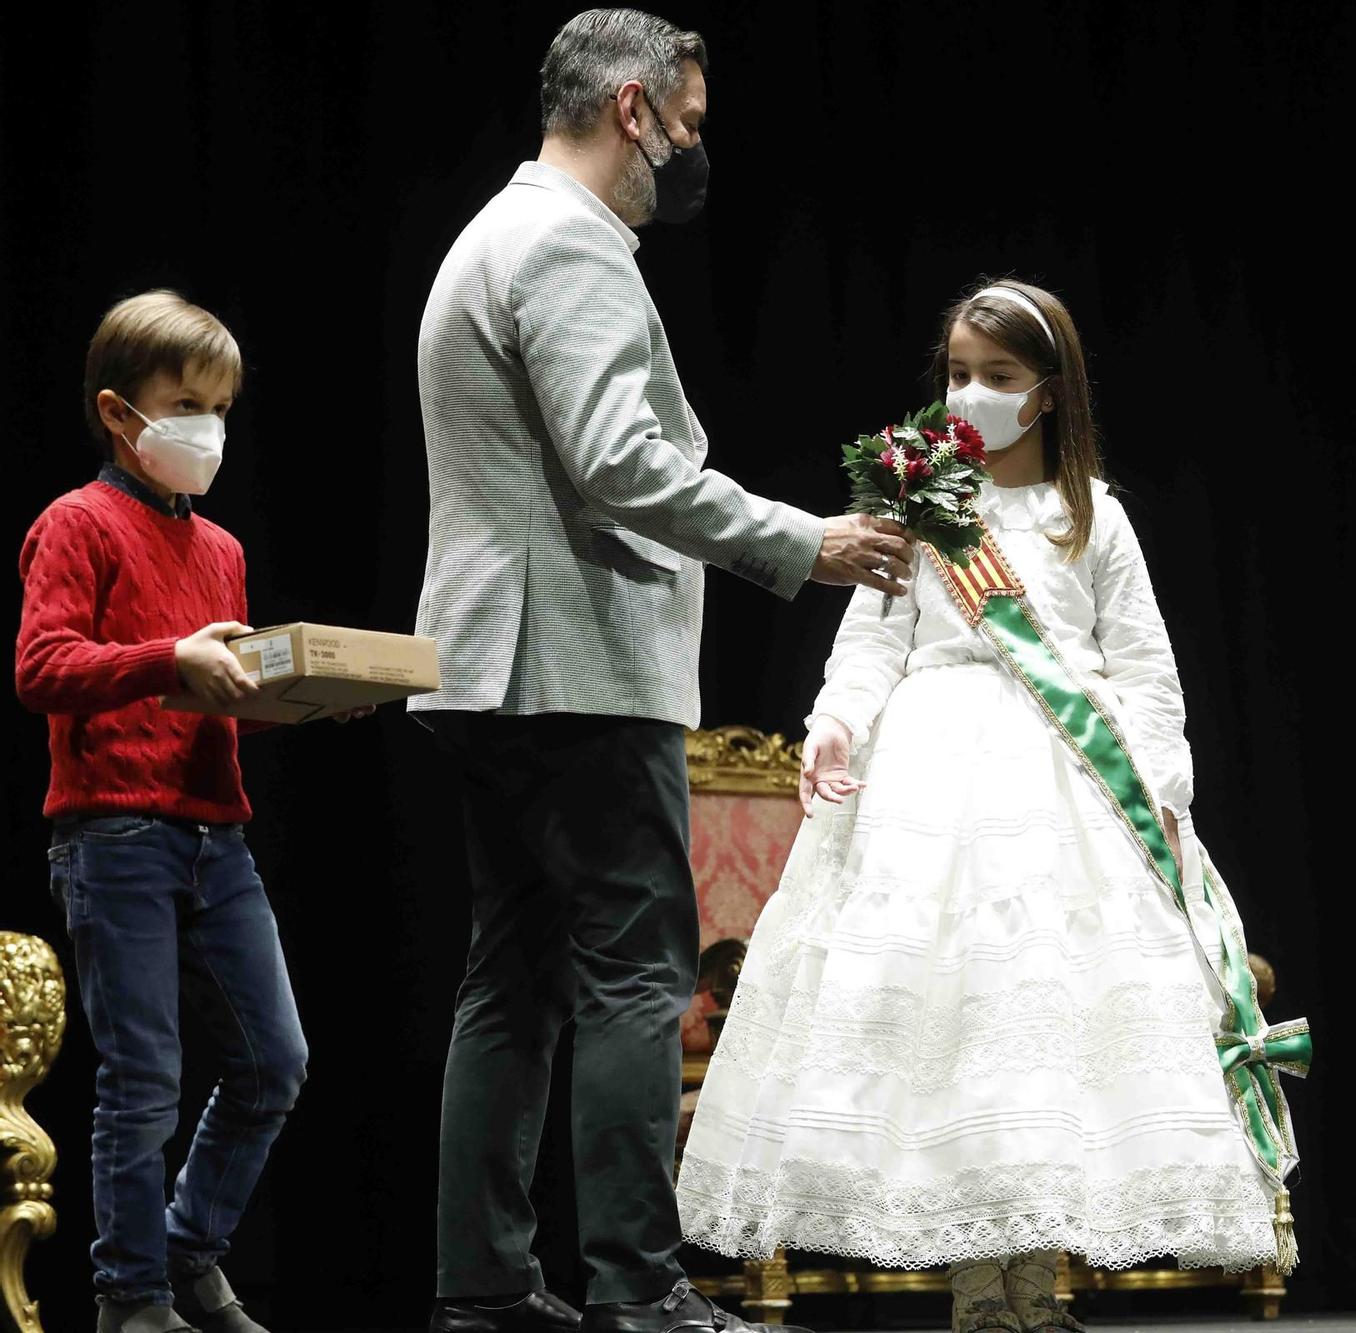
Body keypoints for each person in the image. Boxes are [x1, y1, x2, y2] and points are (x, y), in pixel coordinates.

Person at [410, 10, 909, 1333]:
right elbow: (620, 464)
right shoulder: (571, 244)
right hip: (569, 665)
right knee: (635, 968)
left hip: (491, 667)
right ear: (631, 108)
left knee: (509, 973)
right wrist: (807, 544)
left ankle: (486, 1280)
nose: (691, 149)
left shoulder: (491, 232)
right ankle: (636, 1285)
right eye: (685, 123)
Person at [676, 281, 1295, 1333]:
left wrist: (1160, 793)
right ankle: (975, 1294)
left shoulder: (1090, 519)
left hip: (1064, 791)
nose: (970, 395)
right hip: (926, 779)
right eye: (957, 374)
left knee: (1039, 1029)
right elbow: (871, 642)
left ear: (1047, 394)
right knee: (950, 1029)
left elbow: (1144, 676)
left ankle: (1036, 1285)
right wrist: (834, 723)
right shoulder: (921, 510)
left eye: (998, 379)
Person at [17, 290, 325, 1333]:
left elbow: (211, 697)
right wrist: (168, 658)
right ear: (119, 412)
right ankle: (131, 1298)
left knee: (273, 1061)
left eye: (223, 408)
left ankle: (188, 1252)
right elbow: (43, 665)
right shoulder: (77, 522)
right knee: (143, 1076)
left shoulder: (223, 549)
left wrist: (301, 693)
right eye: (187, 403)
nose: (210, 428)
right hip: (115, 832)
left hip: (213, 832)